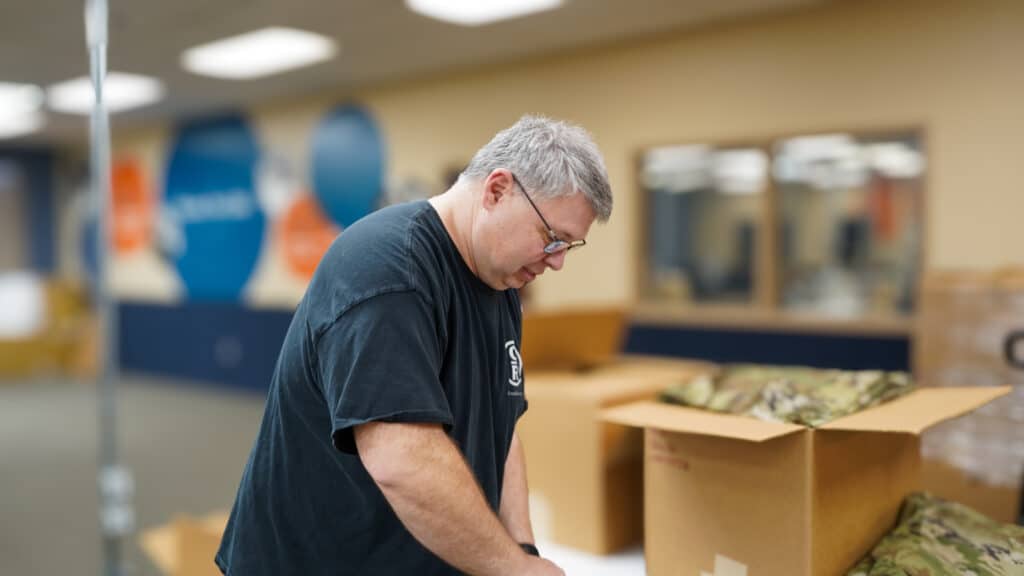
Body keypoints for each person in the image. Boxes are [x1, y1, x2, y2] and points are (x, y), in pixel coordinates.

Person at [215, 115, 613, 575]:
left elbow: (501, 431)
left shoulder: (502, 285)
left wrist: (522, 550)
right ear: (497, 190)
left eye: (568, 246)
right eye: (552, 239)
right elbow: (402, 460)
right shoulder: (389, 270)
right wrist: (512, 569)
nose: (557, 262)